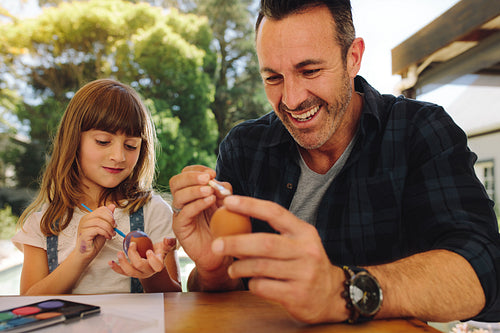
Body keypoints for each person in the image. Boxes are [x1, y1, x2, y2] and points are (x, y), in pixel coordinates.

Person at [170, 0, 500, 325]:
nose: (292, 99)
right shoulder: (244, 148)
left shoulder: (419, 131)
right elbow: (227, 299)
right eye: (273, 78)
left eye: (310, 70)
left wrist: (345, 290)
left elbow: (484, 267)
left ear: (352, 58)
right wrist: (214, 268)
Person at [13, 79, 181, 295]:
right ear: (73, 140)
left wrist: (151, 273)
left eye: (131, 146)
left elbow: (175, 300)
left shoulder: (153, 212)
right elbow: (27, 303)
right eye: (103, 141)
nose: (119, 156)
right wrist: (80, 255)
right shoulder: (43, 223)